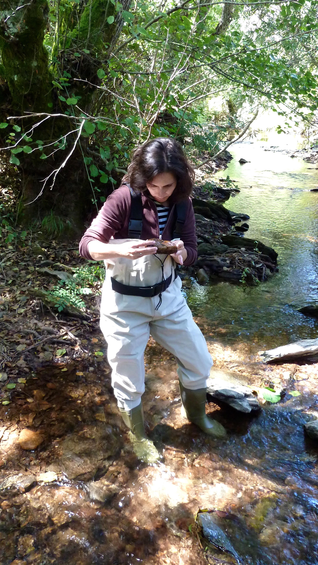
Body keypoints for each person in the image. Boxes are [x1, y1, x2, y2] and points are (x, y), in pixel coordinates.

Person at [79, 137, 226, 463]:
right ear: (143, 178)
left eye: (168, 186)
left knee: (199, 360)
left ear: (179, 181)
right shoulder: (122, 200)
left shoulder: (183, 203)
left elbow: (192, 251)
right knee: (129, 376)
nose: (160, 192)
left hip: (167, 299)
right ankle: (138, 434)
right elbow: (87, 244)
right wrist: (117, 248)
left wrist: (181, 252)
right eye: (154, 186)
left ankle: (197, 417)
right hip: (123, 306)